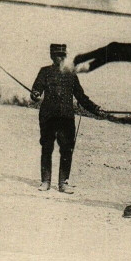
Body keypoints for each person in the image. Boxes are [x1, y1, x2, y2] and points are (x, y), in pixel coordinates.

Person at [31, 43, 103, 193]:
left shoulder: (71, 74)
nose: (61, 58)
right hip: (48, 117)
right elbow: (36, 89)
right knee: (47, 148)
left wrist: (96, 109)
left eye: (63, 56)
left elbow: (81, 97)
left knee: (67, 149)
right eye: (58, 55)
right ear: (52, 56)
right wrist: (35, 94)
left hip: (66, 118)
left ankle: (63, 183)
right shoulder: (44, 72)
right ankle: (45, 181)